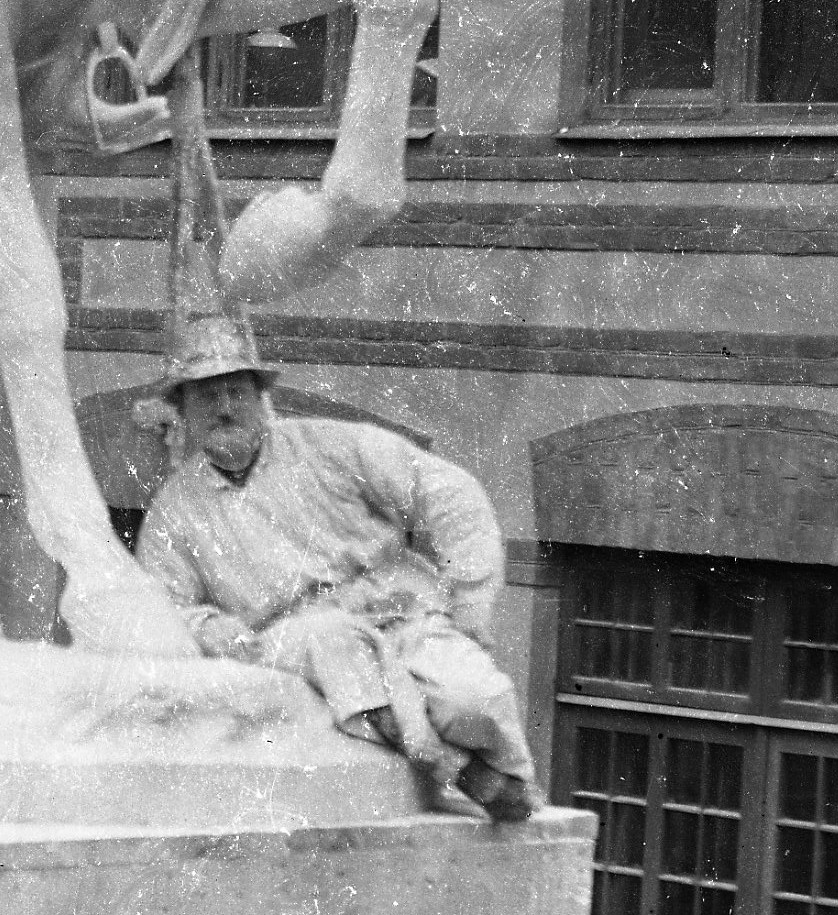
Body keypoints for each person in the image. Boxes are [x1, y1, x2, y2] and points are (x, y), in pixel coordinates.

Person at [131, 311, 539, 820]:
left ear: (261, 395)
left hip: (399, 612)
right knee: (330, 641)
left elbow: (449, 494)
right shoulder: (176, 509)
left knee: (474, 699)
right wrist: (221, 633)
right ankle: (451, 765)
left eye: (236, 389)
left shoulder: (330, 447)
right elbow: (164, 606)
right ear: (182, 410)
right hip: (293, 637)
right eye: (206, 395)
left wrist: (470, 606)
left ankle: (510, 786)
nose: (225, 407)